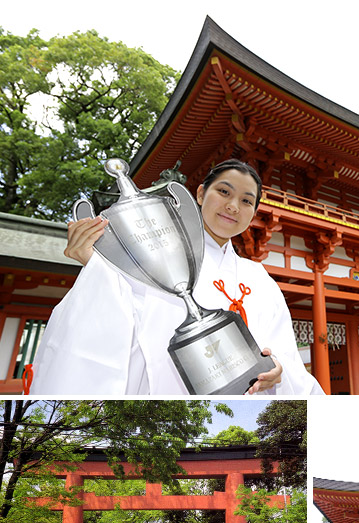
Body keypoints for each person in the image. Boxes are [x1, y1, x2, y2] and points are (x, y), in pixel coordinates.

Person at [30, 159, 324, 397]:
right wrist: (96, 266)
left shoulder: (258, 277)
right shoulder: (149, 254)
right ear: (199, 194)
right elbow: (110, 324)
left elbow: (285, 351)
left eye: (247, 201)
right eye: (224, 192)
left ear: (254, 212)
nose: (234, 205)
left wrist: (278, 368)